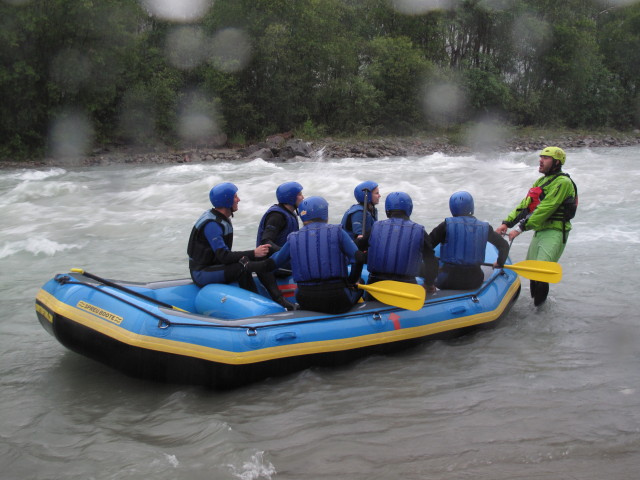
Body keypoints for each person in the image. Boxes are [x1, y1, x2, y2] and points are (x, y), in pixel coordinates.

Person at [495, 146, 577, 306]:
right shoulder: (540, 181)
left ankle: (540, 312)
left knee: (540, 274)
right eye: (541, 157)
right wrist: (507, 223)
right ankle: (537, 311)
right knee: (533, 273)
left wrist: (519, 228)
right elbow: (526, 206)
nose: (540, 160)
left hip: (554, 232)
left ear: (556, 162)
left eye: (546, 158)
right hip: (540, 231)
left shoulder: (563, 182)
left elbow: (546, 208)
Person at [268, 196, 365, 314]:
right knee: (361, 282)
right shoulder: (338, 231)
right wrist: (351, 281)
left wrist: (249, 263)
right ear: (325, 213)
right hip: (337, 299)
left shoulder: (293, 237)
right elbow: (357, 259)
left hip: (305, 300)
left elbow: (273, 263)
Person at [187, 182, 271, 294]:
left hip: (213, 266)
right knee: (242, 267)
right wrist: (254, 252)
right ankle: (255, 303)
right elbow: (224, 256)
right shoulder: (212, 225)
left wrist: (253, 256)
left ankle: (276, 296)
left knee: (249, 260)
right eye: (235, 197)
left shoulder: (220, 218)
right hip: (201, 273)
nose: (238, 199)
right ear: (226, 201)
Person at [429, 191, 510, 290]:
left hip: (447, 281)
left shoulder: (445, 225)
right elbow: (504, 245)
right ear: (472, 206)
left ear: (452, 208)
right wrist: (499, 263)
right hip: (474, 281)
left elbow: (426, 247)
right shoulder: (484, 227)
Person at [365, 191, 438, 295]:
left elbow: (357, 252)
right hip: (407, 286)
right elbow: (432, 262)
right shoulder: (419, 230)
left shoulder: (375, 227)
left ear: (387, 209)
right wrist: (429, 284)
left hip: (376, 285)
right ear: (409, 209)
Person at [254, 181, 304, 310]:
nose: (303, 197)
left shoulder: (289, 213)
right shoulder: (277, 216)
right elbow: (266, 241)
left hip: (286, 260)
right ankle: (279, 299)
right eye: (299, 194)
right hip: (277, 263)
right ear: (290, 198)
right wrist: (286, 253)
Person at [341, 180, 380, 247]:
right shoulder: (358, 213)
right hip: (354, 251)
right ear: (368, 195)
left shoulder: (372, 210)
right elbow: (359, 238)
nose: (379, 196)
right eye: (376, 193)